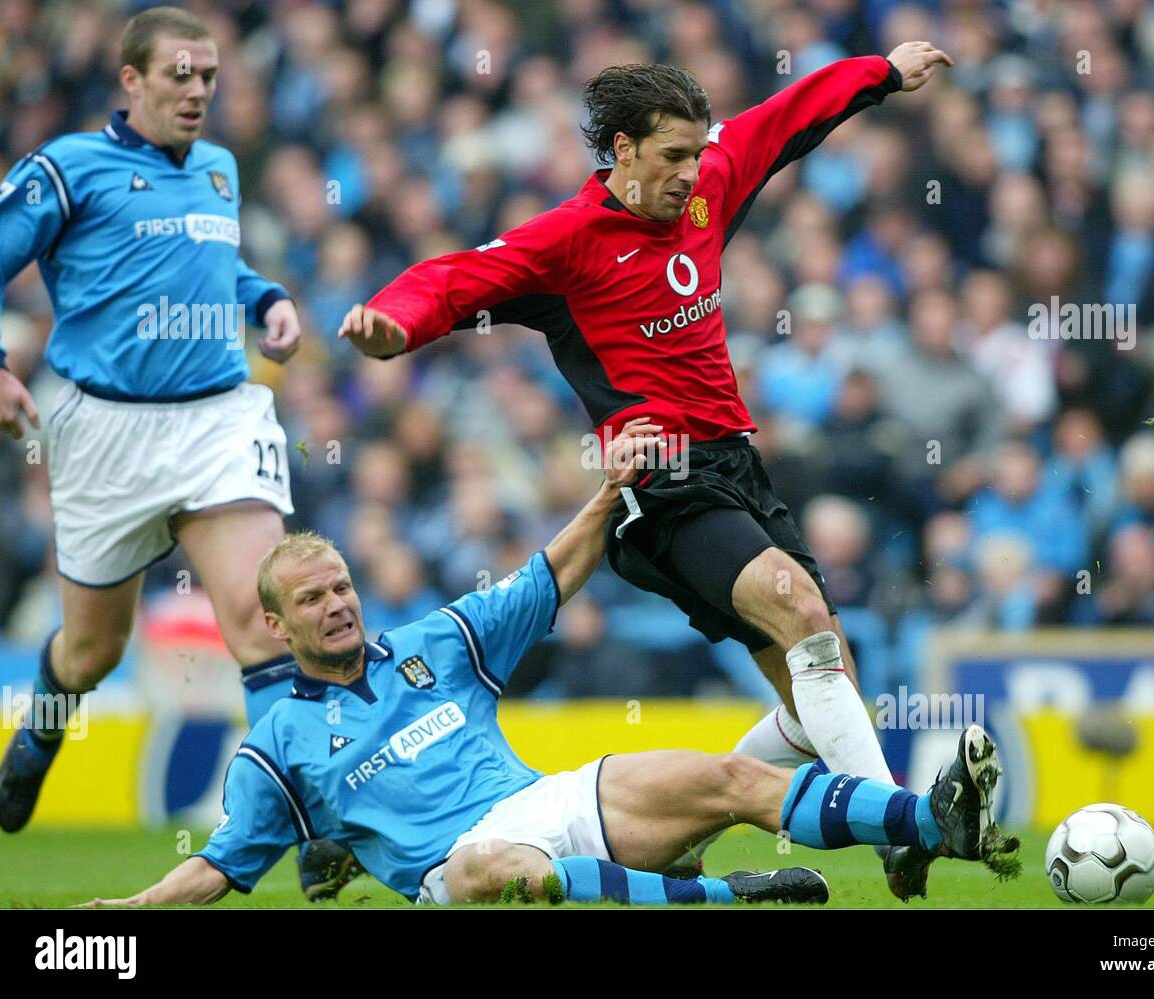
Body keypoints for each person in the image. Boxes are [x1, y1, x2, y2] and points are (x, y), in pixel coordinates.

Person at [338, 41, 955, 900]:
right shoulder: (568, 242)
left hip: (738, 464)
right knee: (802, 609)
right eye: (671, 156)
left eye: (698, 152)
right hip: (657, 482)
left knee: (816, 688)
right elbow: (456, 275)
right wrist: (394, 327)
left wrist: (881, 72)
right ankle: (900, 826)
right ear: (622, 151)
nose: (690, 172)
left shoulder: (707, 184)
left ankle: (672, 840)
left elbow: (786, 120)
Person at [81, 422, 1019, 907]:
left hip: (552, 800)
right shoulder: (276, 743)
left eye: (342, 587)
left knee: (733, 776)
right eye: (315, 600)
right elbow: (218, 866)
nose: (338, 604)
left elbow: (550, 575)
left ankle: (935, 821)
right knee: (500, 868)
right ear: (278, 628)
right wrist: (130, 905)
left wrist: (611, 490)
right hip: (460, 867)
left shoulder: (434, 642)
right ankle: (722, 895)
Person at [0, 7, 342, 899]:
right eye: (179, 75)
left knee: (268, 620)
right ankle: (46, 720)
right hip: (106, 432)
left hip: (216, 417)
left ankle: (310, 814)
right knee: (92, 651)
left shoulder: (218, 170)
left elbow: (218, 267)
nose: (197, 92)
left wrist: (266, 302)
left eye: (209, 77)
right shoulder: (70, 167)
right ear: (131, 81)